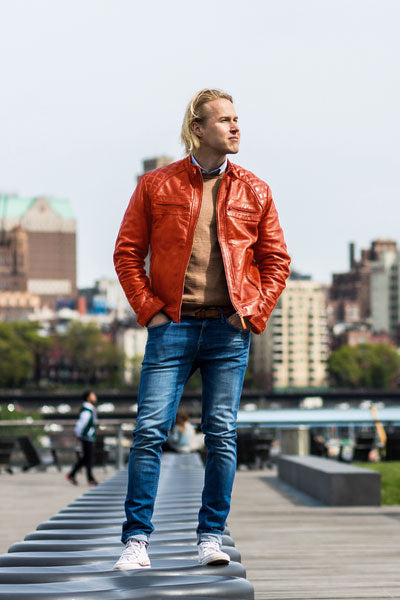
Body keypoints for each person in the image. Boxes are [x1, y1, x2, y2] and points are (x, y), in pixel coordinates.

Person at [112, 88, 291, 570]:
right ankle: (136, 541)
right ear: (198, 128)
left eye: (237, 119)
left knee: (222, 434)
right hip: (171, 327)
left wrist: (250, 313)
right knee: (149, 431)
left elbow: (276, 261)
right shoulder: (156, 185)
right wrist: (150, 311)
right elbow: (127, 253)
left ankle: (211, 536)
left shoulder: (255, 189)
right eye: (225, 120)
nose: (236, 127)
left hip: (227, 332)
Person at [66, 390, 98, 486]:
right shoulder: (87, 410)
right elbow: (81, 424)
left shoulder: (90, 409)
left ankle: (72, 474)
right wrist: (78, 434)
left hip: (88, 436)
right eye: (93, 395)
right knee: (88, 458)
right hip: (86, 437)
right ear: (88, 398)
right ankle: (89, 478)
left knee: (86, 458)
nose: (95, 397)